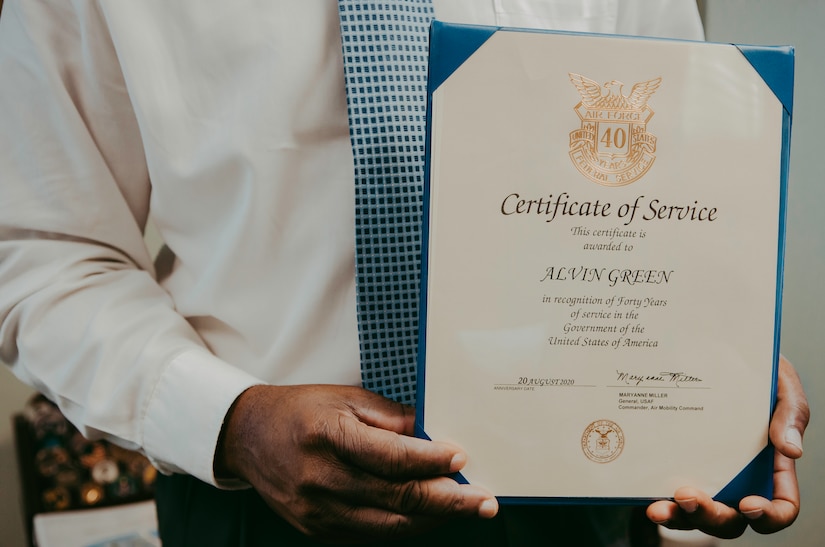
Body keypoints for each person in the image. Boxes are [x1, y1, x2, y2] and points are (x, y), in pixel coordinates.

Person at [0, 1, 809, 545]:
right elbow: (40, 244)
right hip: (259, 509)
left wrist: (716, 356)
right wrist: (228, 418)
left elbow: (681, 173)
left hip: (587, 499)